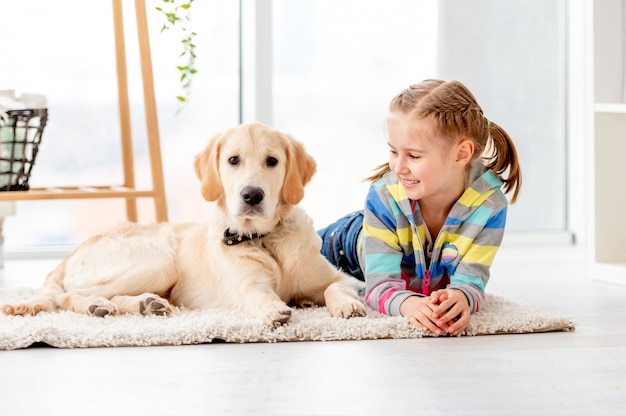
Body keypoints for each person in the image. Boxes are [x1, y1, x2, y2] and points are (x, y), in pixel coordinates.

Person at [318, 79, 521, 336]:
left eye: (413, 156)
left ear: (461, 154)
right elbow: (379, 288)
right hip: (350, 241)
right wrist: (409, 304)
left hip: (397, 241)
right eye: (393, 151)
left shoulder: (489, 208)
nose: (398, 167)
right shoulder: (382, 198)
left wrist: (461, 297)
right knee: (294, 255)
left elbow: (472, 281)